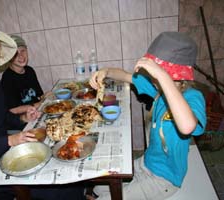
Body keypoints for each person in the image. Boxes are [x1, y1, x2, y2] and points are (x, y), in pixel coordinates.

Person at [0, 18, 84, 200]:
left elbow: (1, 115)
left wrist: (23, 119)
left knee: (65, 167)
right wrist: (11, 140)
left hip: (7, 151)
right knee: (62, 190)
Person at [88, 32, 206, 200]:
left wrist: (163, 77)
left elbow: (187, 126)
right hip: (146, 164)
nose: (151, 79)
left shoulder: (193, 97)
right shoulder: (157, 89)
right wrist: (105, 71)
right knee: (99, 187)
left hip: (164, 179)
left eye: (156, 75)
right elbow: (124, 75)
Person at [1, 35, 46, 114]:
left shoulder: (29, 71)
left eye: (23, 50)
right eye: (15, 53)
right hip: (23, 121)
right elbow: (13, 110)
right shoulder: (7, 78)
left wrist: (46, 97)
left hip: (36, 113)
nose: (21, 56)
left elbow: (39, 96)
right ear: (9, 57)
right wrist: (40, 104)